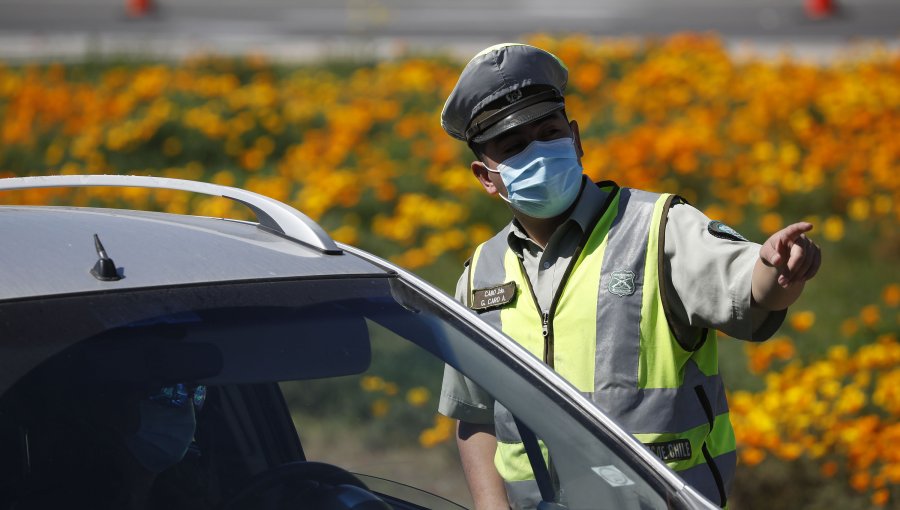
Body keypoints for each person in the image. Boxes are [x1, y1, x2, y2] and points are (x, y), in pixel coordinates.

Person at [437, 43, 821, 510]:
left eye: (549, 132)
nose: (538, 151)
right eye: (514, 147)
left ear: (575, 139)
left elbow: (747, 290)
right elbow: (475, 414)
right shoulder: (481, 273)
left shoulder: (657, 227)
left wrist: (778, 268)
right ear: (486, 175)